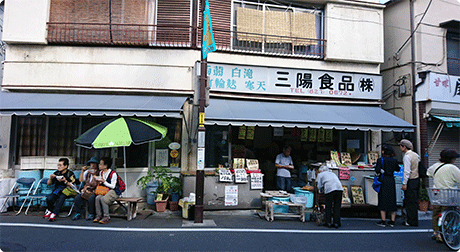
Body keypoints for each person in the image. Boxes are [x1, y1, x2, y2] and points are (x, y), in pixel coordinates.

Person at [427, 149, 460, 242]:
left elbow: (428, 173)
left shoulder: (435, 166)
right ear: (452, 159)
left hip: (436, 195)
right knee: (448, 214)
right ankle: (445, 235)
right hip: (449, 195)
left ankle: (436, 233)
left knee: (436, 214)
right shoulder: (452, 168)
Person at [43, 157, 78, 222]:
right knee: (49, 198)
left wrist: (65, 181)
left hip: (67, 191)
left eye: (60, 165)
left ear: (66, 166)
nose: (58, 167)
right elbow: (48, 184)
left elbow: (73, 185)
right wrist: (50, 178)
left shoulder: (70, 174)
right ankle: (50, 210)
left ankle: (54, 214)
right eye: (58, 165)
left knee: (61, 197)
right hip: (57, 190)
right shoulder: (57, 173)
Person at [375, 145, 400, 227]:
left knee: (383, 199)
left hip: (383, 180)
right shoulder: (394, 160)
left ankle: (383, 220)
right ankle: (392, 221)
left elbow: (377, 170)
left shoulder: (380, 160)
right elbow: (397, 169)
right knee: (392, 199)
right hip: (391, 180)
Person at [399, 139, 420, 227]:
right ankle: (414, 220)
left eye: (401, 146)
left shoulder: (407, 156)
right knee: (414, 201)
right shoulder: (416, 155)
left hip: (410, 180)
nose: (400, 147)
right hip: (417, 179)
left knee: (409, 201)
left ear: (404, 147)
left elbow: (407, 171)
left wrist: (404, 183)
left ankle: (410, 221)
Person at [93, 157, 121, 224]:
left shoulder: (113, 173)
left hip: (114, 191)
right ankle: (99, 215)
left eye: (100, 164)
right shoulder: (101, 173)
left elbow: (113, 186)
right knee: (97, 198)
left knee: (103, 199)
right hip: (106, 190)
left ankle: (106, 216)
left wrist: (104, 181)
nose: (99, 165)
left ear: (105, 166)